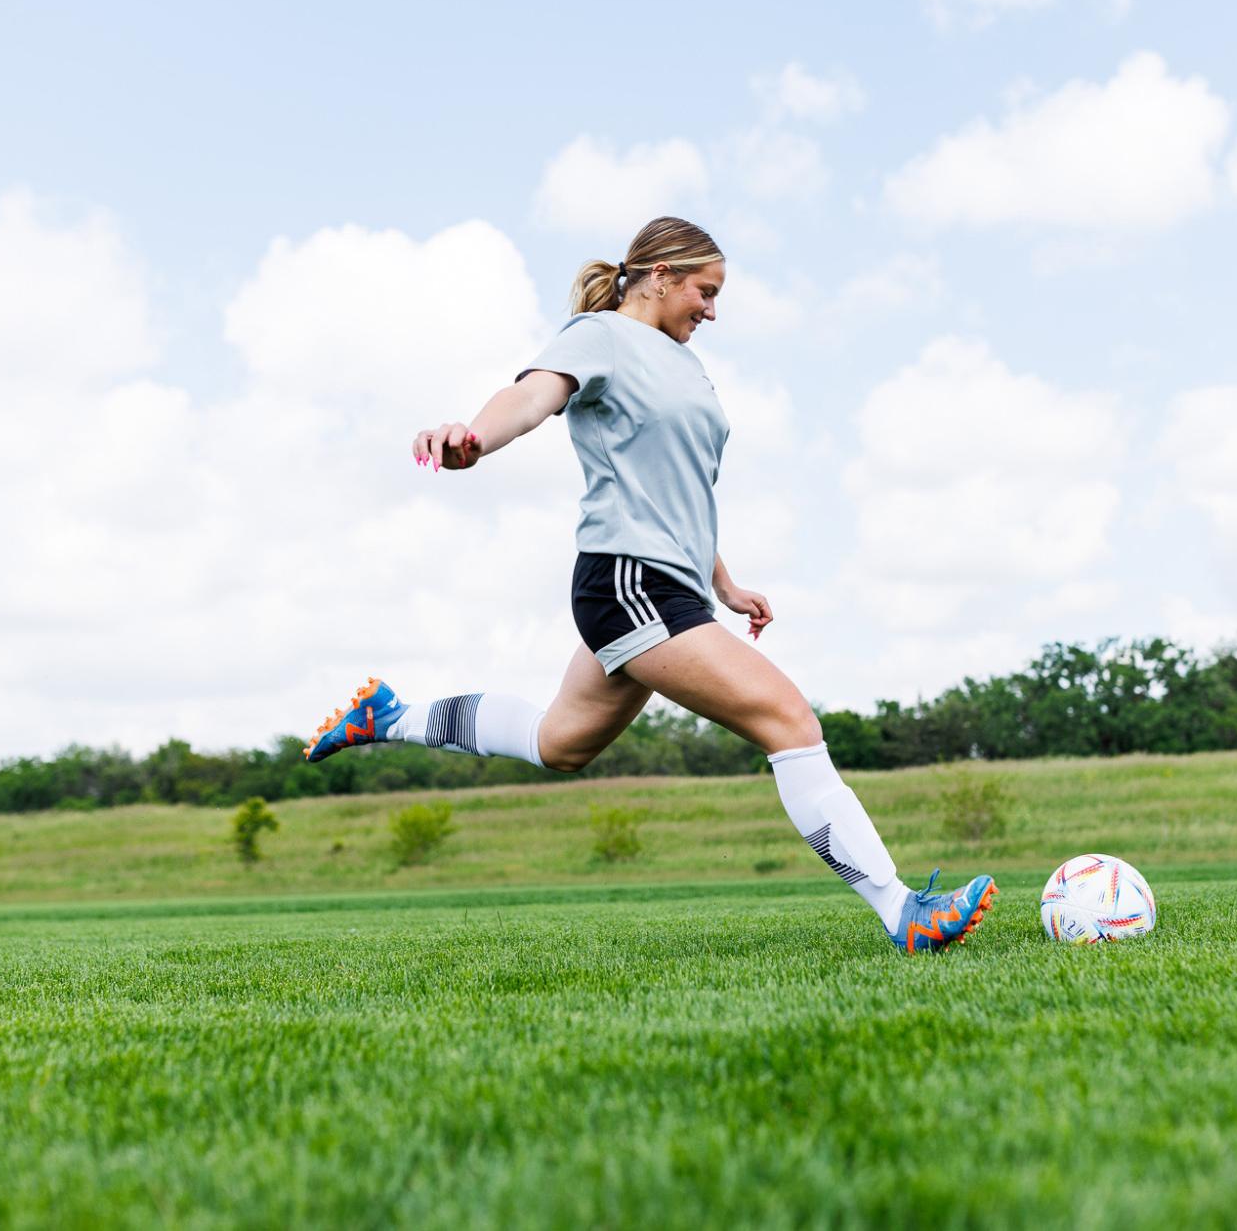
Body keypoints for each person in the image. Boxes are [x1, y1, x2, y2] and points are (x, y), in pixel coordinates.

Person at [304, 216, 996, 952]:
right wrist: (473, 439)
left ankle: (388, 716)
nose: (713, 309)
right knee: (790, 722)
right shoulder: (600, 335)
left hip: (669, 584)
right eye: (706, 290)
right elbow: (533, 397)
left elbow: (677, 484)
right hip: (629, 580)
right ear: (660, 274)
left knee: (559, 743)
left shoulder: (685, 364)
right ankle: (902, 911)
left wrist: (722, 581)